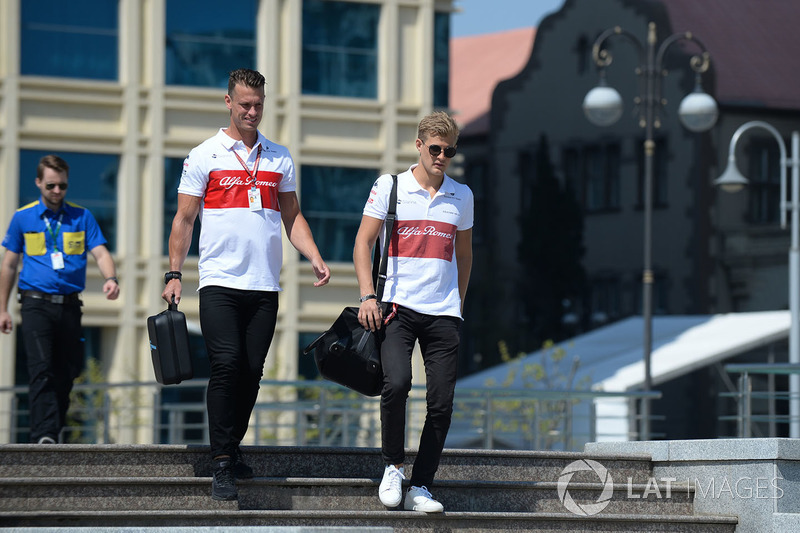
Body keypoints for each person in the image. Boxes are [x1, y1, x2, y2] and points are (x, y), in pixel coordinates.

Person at [162, 68, 330, 502]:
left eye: (258, 104)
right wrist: (174, 273)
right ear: (229, 102)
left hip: (264, 285)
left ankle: (230, 448)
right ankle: (220, 463)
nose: (252, 111)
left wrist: (312, 255)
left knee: (252, 371)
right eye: (244, 104)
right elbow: (184, 219)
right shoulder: (205, 155)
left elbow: (292, 217)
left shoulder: (279, 157)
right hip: (218, 281)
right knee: (228, 364)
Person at [354, 111, 473, 513]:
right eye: (435, 148)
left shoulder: (462, 195)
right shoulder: (391, 187)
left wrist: (457, 305)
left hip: (443, 314)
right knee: (398, 384)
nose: (442, 157)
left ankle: (421, 485)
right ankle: (392, 468)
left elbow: (465, 254)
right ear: (419, 145)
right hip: (397, 307)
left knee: (441, 403)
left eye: (449, 151)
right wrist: (368, 296)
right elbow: (362, 244)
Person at [0, 154, 120, 444]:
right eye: (51, 186)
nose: (56, 192)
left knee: (67, 372)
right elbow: (9, 264)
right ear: (39, 182)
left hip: (69, 305)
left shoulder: (82, 217)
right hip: (34, 304)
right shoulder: (23, 217)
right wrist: (2, 309)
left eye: (62, 186)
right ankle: (44, 435)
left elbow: (101, 252)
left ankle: (53, 429)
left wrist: (111, 279)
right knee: (41, 369)